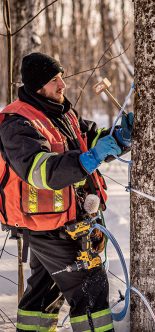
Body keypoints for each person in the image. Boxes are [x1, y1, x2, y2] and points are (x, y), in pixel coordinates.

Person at [0, 52, 133, 332]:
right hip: (47, 226)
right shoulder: (17, 124)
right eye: (54, 80)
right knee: (90, 290)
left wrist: (119, 138)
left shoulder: (61, 112)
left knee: (44, 294)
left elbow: (90, 139)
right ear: (37, 86)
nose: (63, 85)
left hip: (65, 220)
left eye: (61, 77)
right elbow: (40, 171)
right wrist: (89, 159)